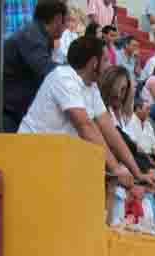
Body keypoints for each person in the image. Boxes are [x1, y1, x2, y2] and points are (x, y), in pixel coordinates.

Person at [18, 36, 127, 178]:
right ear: (94, 63)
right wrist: (115, 168)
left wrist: (138, 173)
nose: (110, 65)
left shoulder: (92, 87)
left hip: (52, 159)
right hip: (28, 155)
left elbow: (110, 131)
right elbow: (85, 126)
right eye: (106, 60)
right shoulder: (63, 77)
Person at [0, 0, 68, 132]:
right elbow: (47, 71)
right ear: (58, 19)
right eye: (66, 22)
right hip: (4, 112)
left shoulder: (38, 34)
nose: (66, 27)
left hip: (12, 109)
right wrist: (75, 71)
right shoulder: (32, 35)